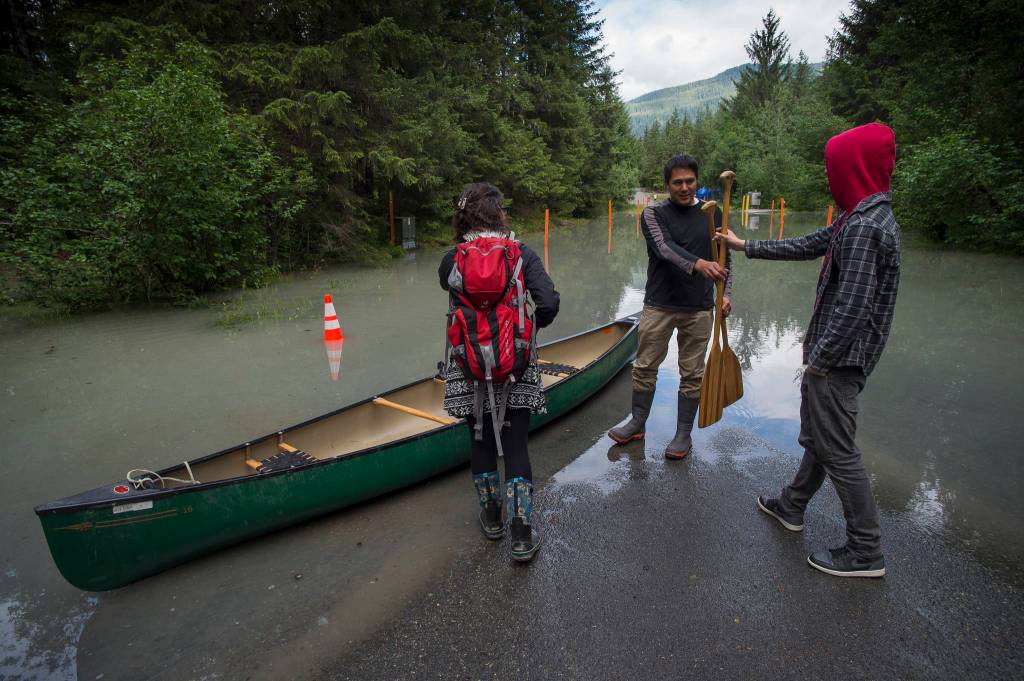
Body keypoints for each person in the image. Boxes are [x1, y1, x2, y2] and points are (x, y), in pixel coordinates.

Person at [717, 122, 900, 578]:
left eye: (832, 168)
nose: (828, 177)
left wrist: (819, 363)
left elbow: (855, 307)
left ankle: (866, 550)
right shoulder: (858, 217)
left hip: (838, 360)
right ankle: (792, 505)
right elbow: (808, 244)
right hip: (838, 356)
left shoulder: (863, 228)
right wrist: (745, 244)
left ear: (851, 168)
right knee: (822, 438)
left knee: (837, 449)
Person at [439, 182, 559, 563]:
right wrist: (526, 329)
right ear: (499, 213)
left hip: (468, 366)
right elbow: (549, 303)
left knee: (479, 440)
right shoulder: (520, 253)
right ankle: (521, 536)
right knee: (516, 445)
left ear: (462, 217)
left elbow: (454, 297)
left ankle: (492, 519)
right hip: (516, 364)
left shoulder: (451, 260)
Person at [609, 155, 731, 459]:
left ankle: (682, 434)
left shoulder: (713, 215)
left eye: (690, 181)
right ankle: (637, 422)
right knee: (645, 366)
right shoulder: (653, 214)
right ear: (667, 185)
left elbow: (726, 258)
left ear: (697, 182)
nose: (685, 187)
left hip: (699, 306)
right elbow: (664, 249)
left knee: (692, 373)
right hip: (659, 304)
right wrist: (699, 264)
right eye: (678, 182)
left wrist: (725, 294)